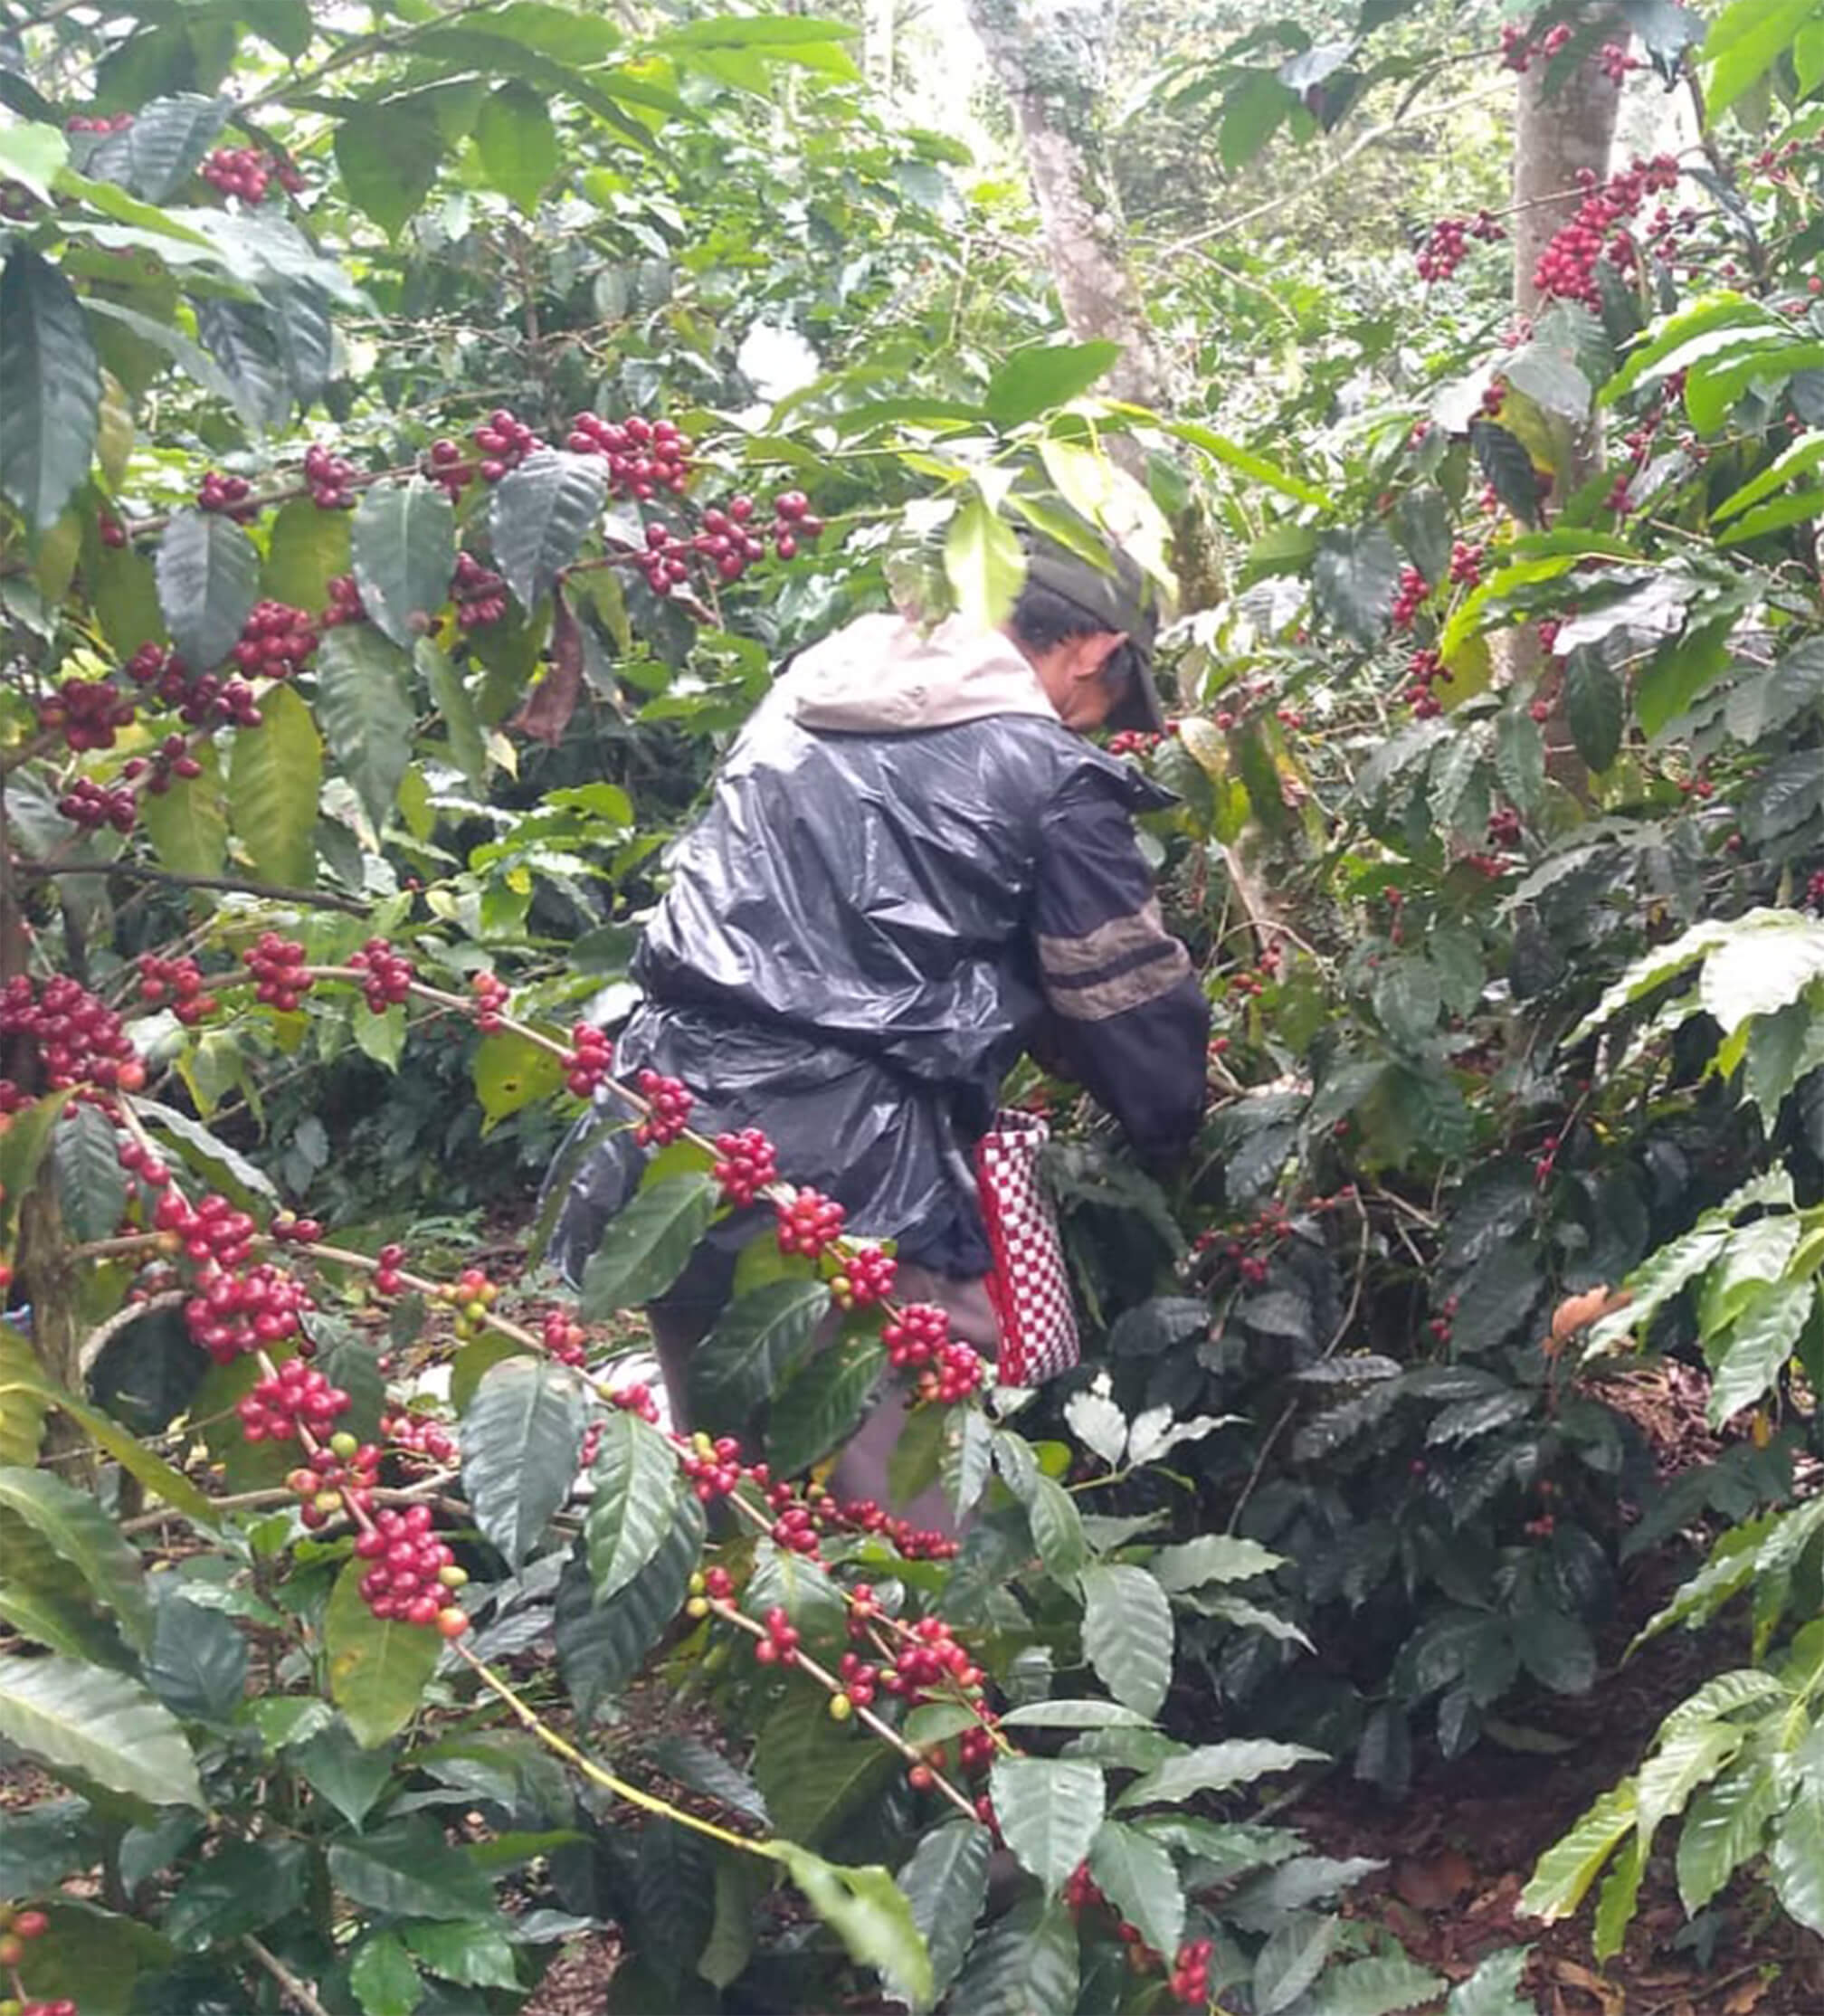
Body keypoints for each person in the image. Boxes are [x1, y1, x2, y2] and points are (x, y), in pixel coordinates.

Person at [547, 532, 1210, 1517]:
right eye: (1111, 701)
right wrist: (1173, 1123)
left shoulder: (800, 702)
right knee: (904, 1530)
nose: (1101, 729)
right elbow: (1135, 1028)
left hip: (668, 1134)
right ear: (1094, 650)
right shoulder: (1050, 774)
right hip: (856, 1182)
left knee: (738, 1484)